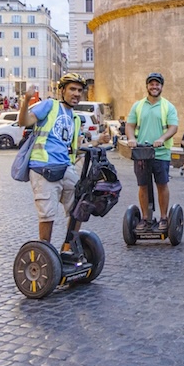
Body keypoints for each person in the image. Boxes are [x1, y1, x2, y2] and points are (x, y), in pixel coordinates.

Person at [17, 74, 110, 243]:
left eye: (79, 91)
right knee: (47, 215)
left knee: (80, 206)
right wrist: (27, 100)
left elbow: (79, 148)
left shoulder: (75, 118)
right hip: (43, 167)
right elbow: (23, 121)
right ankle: (45, 252)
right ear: (62, 91)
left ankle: (69, 248)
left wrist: (99, 141)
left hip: (66, 167)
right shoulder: (49, 106)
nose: (76, 94)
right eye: (72, 89)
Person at [126, 72, 179, 231]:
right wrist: (131, 138)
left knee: (162, 184)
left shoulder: (168, 106)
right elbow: (130, 125)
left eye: (157, 84)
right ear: (147, 86)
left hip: (160, 153)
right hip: (141, 152)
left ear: (161, 86)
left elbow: (173, 127)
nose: (154, 87)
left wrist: (162, 138)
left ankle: (163, 217)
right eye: (151, 84)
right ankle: (145, 218)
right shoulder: (138, 105)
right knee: (143, 185)